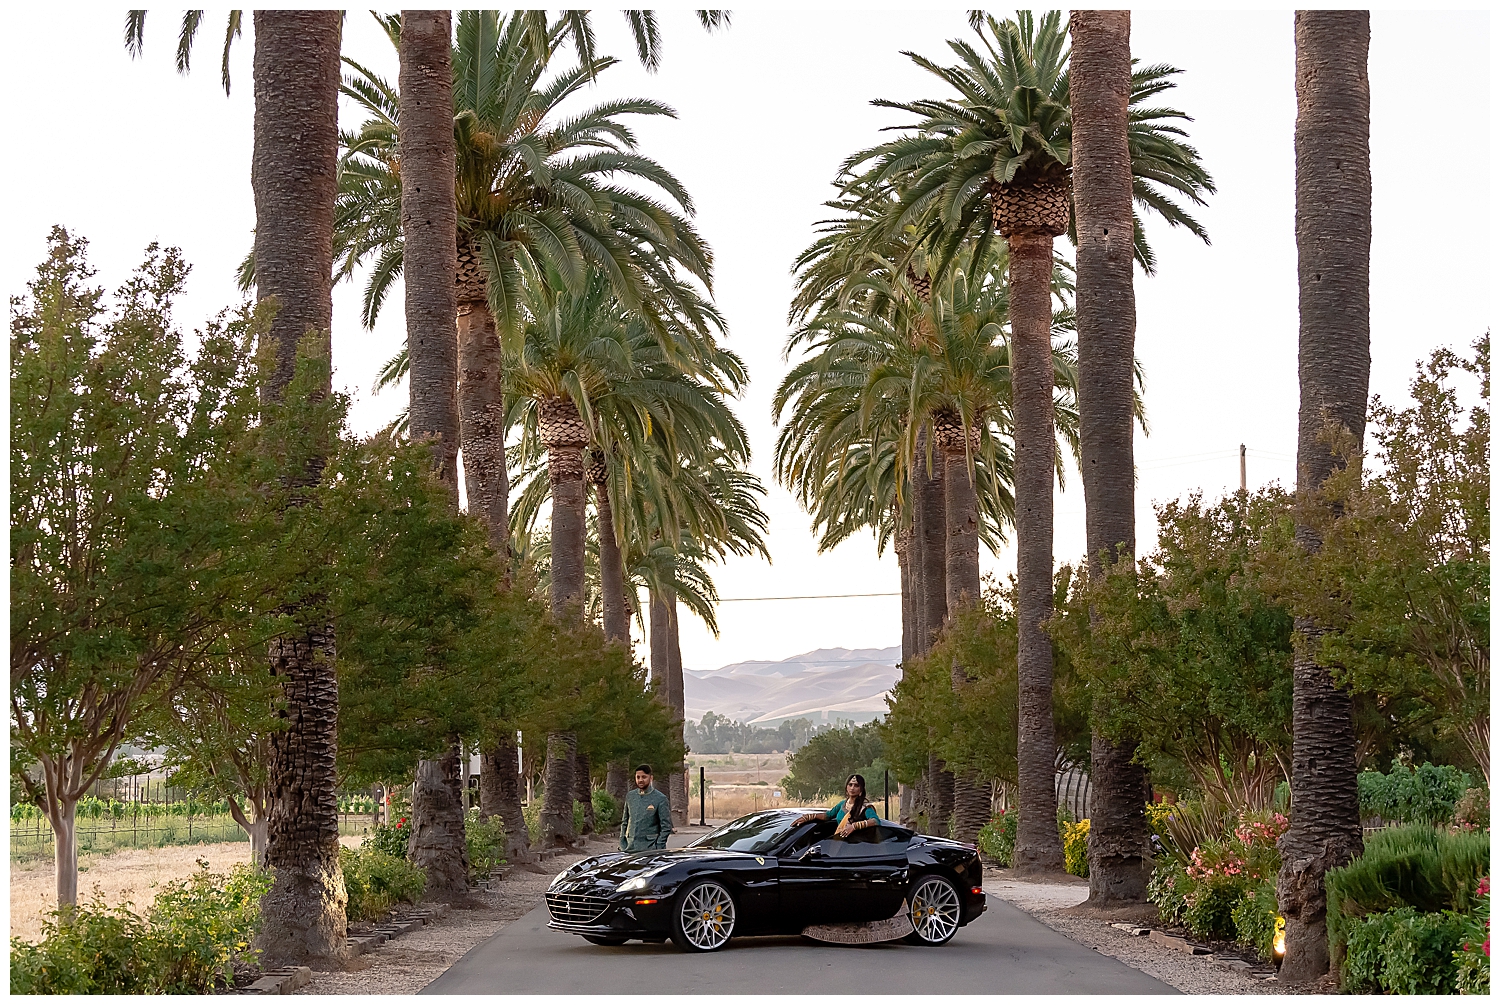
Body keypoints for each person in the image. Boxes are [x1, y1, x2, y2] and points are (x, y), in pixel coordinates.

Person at [796, 773, 880, 838]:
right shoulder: (842, 804)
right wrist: (809, 817)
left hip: (856, 846)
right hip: (841, 843)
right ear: (846, 787)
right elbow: (828, 815)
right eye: (850, 785)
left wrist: (854, 826)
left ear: (861, 789)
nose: (852, 788)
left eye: (856, 785)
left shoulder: (865, 807)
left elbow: (876, 821)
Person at [619, 763, 674, 851]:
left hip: (650, 849)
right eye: (638, 777)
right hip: (630, 848)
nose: (640, 780)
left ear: (651, 778)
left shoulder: (660, 798)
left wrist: (658, 846)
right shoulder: (630, 796)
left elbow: (666, 827)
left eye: (644, 777)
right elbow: (625, 821)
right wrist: (622, 842)